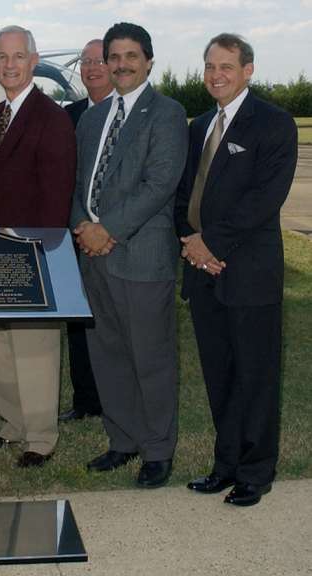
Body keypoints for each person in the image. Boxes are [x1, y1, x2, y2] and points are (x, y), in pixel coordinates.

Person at [175, 34, 297, 507]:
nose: (215, 75)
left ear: (248, 70)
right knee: (219, 376)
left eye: (226, 66)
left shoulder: (274, 123)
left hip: (248, 272)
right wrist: (190, 243)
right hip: (203, 271)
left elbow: (265, 199)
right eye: (209, 66)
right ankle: (224, 465)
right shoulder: (199, 124)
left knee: (255, 377)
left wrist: (212, 242)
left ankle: (255, 471)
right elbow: (184, 194)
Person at [70, 22, 188, 488]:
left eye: (130, 56)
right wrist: (83, 225)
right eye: (112, 57)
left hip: (141, 256)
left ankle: (158, 451)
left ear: (149, 60)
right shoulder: (92, 117)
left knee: (151, 358)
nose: (120, 65)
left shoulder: (168, 114)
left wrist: (107, 230)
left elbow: (159, 184)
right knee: (109, 355)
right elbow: (77, 182)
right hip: (93, 257)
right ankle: (122, 440)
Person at [0, 25, 76, 467]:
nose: (10, 64)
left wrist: (39, 250)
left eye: (19, 56)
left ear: (34, 62)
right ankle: (12, 424)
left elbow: (56, 195)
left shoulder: (51, 117)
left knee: (34, 347)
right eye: (3, 57)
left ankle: (39, 437)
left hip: (32, 252)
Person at [60, 38, 113, 424]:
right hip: (75, 236)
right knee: (79, 324)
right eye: (86, 62)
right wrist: (82, 227)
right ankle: (86, 400)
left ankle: (117, 399)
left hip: (119, 238)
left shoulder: (133, 112)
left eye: (100, 60)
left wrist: (106, 229)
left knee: (116, 323)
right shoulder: (70, 115)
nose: (92, 68)